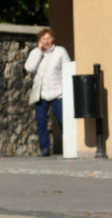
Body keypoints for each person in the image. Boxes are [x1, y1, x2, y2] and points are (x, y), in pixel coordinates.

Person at [25, 28, 71, 157]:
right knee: (41, 121)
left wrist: (66, 89)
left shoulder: (60, 51)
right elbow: (29, 67)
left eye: (48, 38)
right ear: (39, 41)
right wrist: (39, 52)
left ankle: (68, 146)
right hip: (41, 93)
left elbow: (67, 69)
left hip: (58, 93)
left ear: (53, 39)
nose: (46, 41)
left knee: (63, 120)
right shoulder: (35, 52)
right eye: (43, 39)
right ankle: (44, 148)